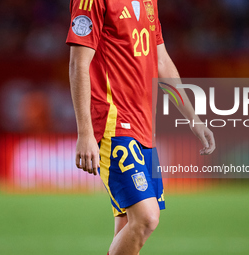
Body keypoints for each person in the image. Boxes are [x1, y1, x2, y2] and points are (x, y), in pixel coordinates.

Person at [66, 0, 215, 254]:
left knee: (128, 225)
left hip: (145, 127)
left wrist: (193, 117)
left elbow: (161, 61)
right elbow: (78, 63)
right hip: (114, 124)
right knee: (147, 217)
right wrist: (85, 132)